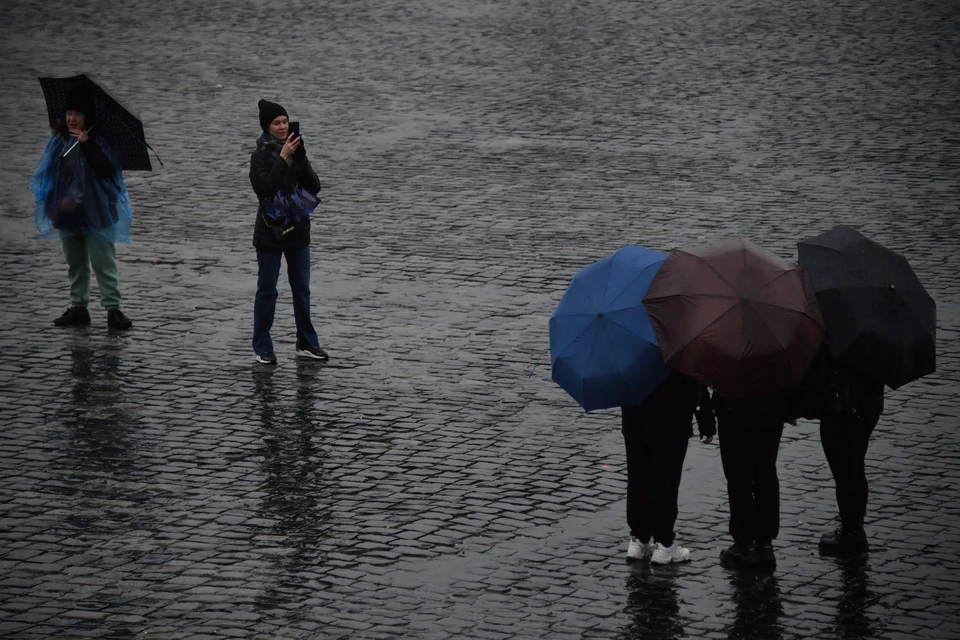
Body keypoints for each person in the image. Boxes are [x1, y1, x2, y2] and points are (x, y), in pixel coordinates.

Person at [30, 85, 133, 329]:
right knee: (75, 261)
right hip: (68, 211)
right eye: (69, 113)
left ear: (87, 116)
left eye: (77, 114)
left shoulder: (101, 139)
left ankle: (113, 309)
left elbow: (107, 170)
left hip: (97, 211)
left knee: (103, 262)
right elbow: (49, 174)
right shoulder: (59, 141)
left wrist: (88, 144)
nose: (72, 119)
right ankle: (78, 307)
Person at [249, 99, 327, 365]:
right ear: (266, 126)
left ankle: (307, 342)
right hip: (270, 231)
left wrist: (300, 158)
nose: (282, 127)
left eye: (284, 121)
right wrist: (282, 160)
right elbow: (265, 188)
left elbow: (314, 186)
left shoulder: (295, 150)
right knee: (267, 289)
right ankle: (262, 345)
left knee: (301, 288)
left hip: (298, 228)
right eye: (276, 123)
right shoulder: (259, 156)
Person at [791, 349, 884, 554]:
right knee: (856, 466)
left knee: (846, 470)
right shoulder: (877, 338)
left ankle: (852, 532)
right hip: (869, 404)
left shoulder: (839, 335)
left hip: (843, 408)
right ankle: (853, 526)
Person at [622, 373, 715, 565]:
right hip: (671, 423)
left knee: (638, 480)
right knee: (665, 483)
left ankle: (639, 539)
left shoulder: (630, 345)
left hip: (635, 421)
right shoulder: (678, 347)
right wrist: (706, 422)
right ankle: (664, 544)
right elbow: (694, 381)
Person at [710, 389, 790, 567]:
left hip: (734, 410)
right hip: (771, 408)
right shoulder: (774, 360)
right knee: (766, 473)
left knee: (739, 476)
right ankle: (765, 542)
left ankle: (745, 542)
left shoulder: (730, 361)